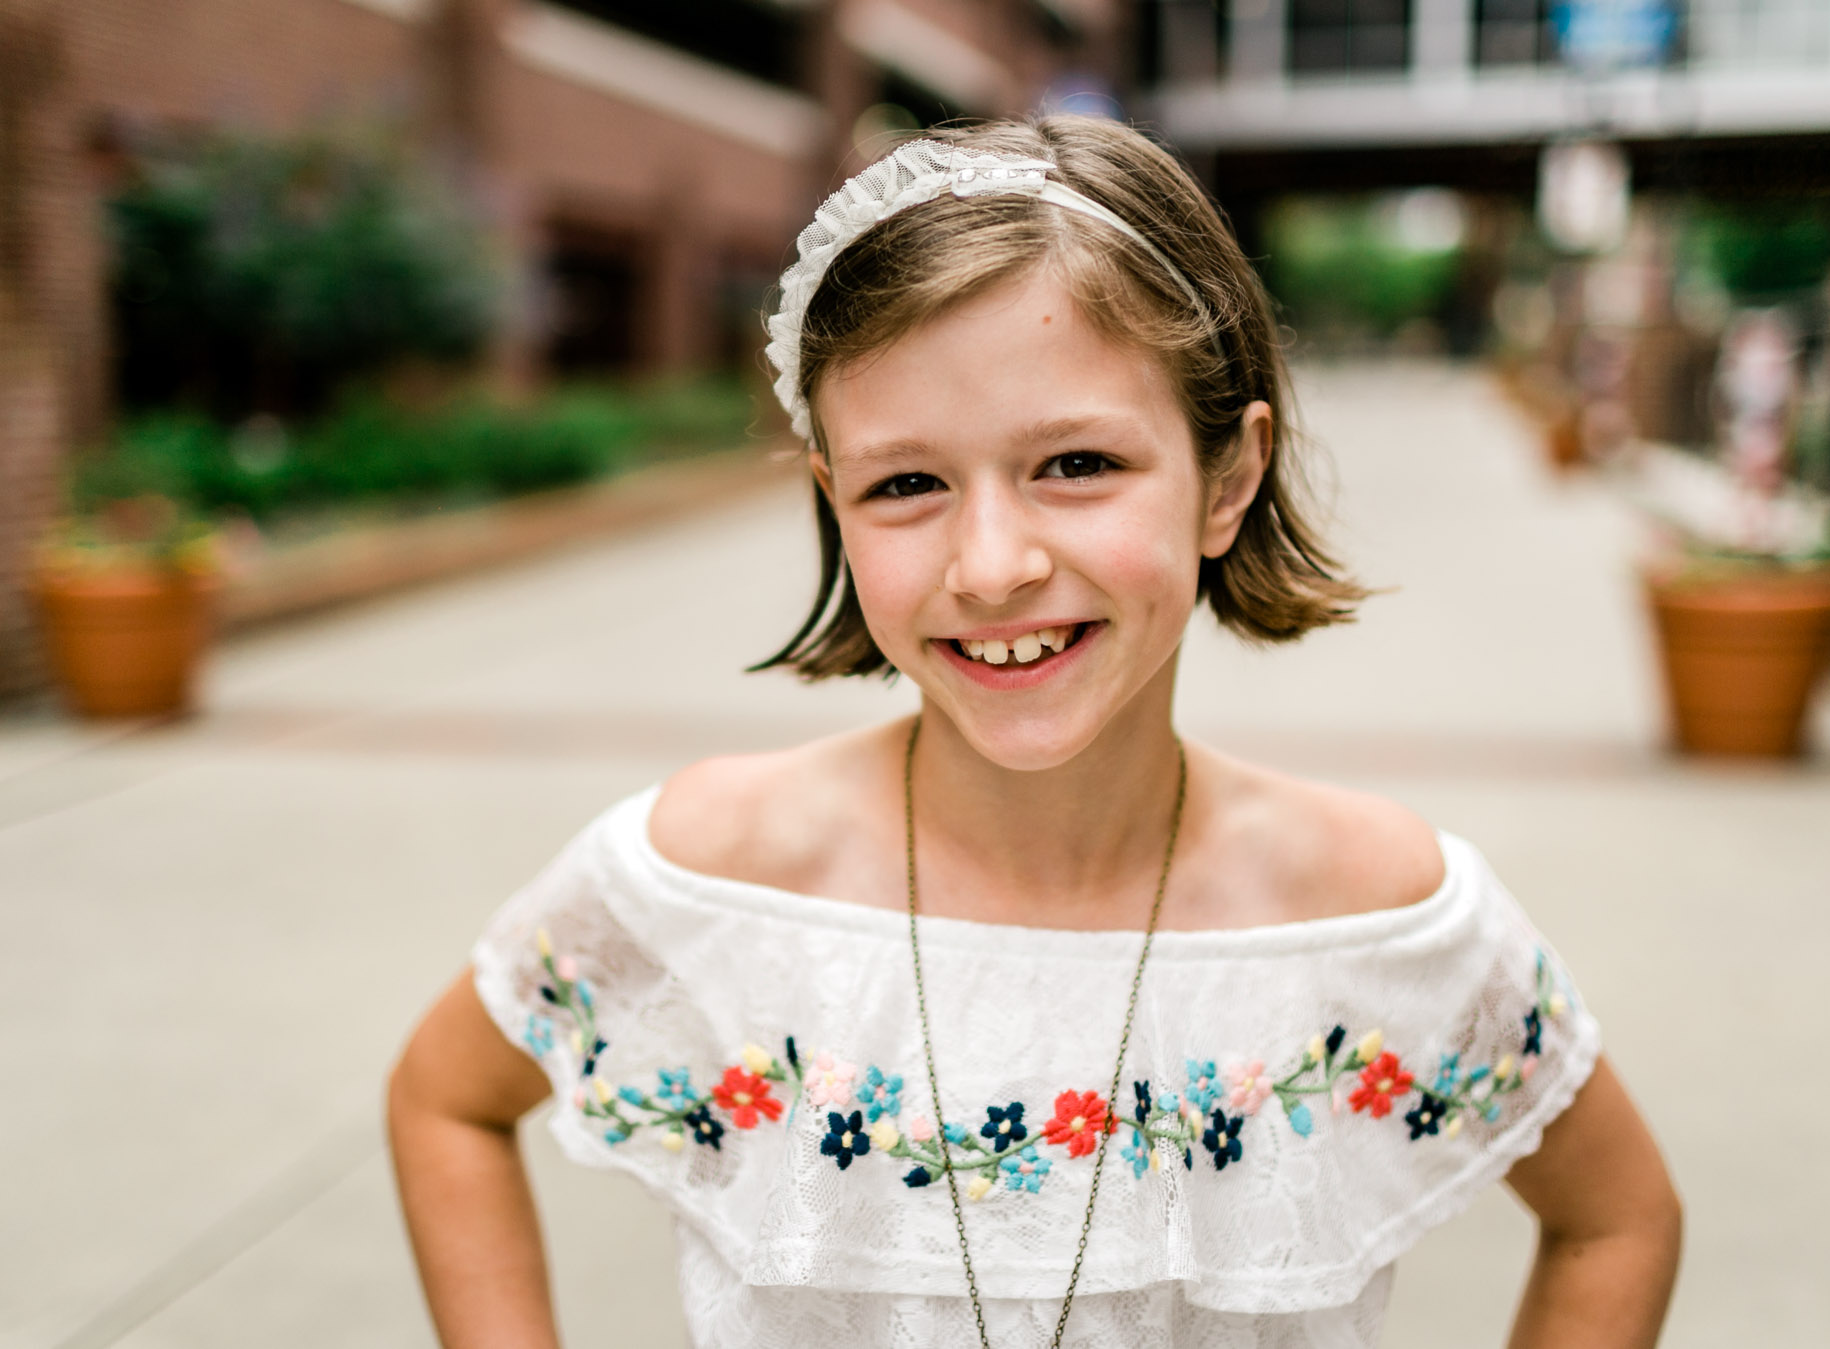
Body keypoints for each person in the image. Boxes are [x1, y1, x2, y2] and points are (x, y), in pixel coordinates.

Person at [386, 117, 1682, 1349]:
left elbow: (1618, 1216)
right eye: (908, 483)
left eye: (1075, 464)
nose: (993, 563)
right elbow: (445, 1096)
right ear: (836, 505)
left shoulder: (1382, 916)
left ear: (1226, 479)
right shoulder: (712, 872)